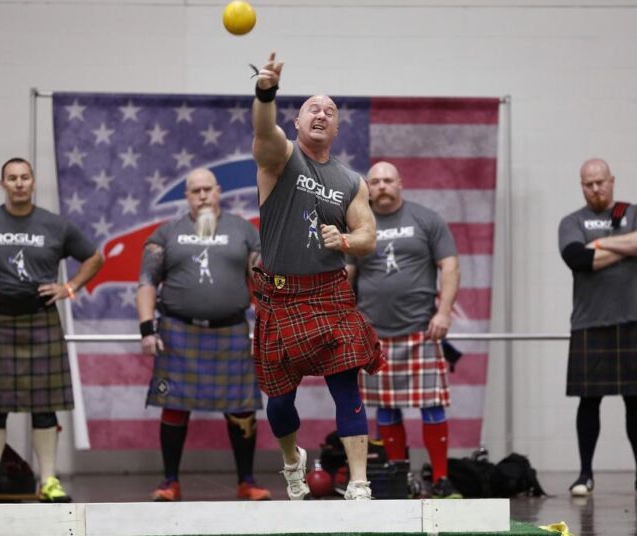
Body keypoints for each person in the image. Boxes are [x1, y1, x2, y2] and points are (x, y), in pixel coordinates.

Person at [250, 52, 386, 501]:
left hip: (329, 295)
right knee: (280, 401)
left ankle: (360, 482)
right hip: (280, 297)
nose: (322, 114)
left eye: (330, 111)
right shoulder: (279, 159)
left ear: (337, 127)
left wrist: (346, 241)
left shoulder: (350, 180)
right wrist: (265, 91)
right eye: (313, 108)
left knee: (346, 387)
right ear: (297, 121)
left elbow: (368, 234)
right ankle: (293, 461)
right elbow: (263, 130)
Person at [0, 157, 104, 504]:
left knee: (45, 407)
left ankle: (50, 482)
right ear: (3, 184)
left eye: (25, 177)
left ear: (32, 182)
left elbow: (95, 258)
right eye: (12, 178)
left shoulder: (55, 225)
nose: (19, 183)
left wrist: (68, 287)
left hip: (41, 321)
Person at [137, 167, 271, 502]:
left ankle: (247, 481)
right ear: (186, 196)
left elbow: (263, 281)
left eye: (207, 189)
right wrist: (146, 329)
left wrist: (271, 323)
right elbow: (146, 283)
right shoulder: (167, 233)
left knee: (242, 408)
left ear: (218, 191)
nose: (202, 196)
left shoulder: (243, 230)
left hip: (231, 331)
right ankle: (170, 482)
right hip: (178, 330)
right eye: (195, 191)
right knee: (174, 406)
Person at [346, 161, 461, 498]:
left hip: (421, 331)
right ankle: (400, 480)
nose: (382, 186)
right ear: (368, 186)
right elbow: (347, 275)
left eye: (388, 180)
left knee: (432, 405)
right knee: (386, 407)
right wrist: (347, 320)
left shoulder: (426, 219)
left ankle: (440, 478)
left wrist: (443, 313)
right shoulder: (359, 222)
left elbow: (450, 266)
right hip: (374, 334)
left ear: (400, 183)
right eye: (376, 181)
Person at [558, 158, 637, 497]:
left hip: (635, 318)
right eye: (589, 183)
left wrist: (601, 244)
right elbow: (578, 259)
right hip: (590, 322)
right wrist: (626, 246)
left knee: (636, 401)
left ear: (612, 180)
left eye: (600, 181)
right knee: (589, 401)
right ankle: (584, 475)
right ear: (581, 185)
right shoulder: (571, 221)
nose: (596, 188)